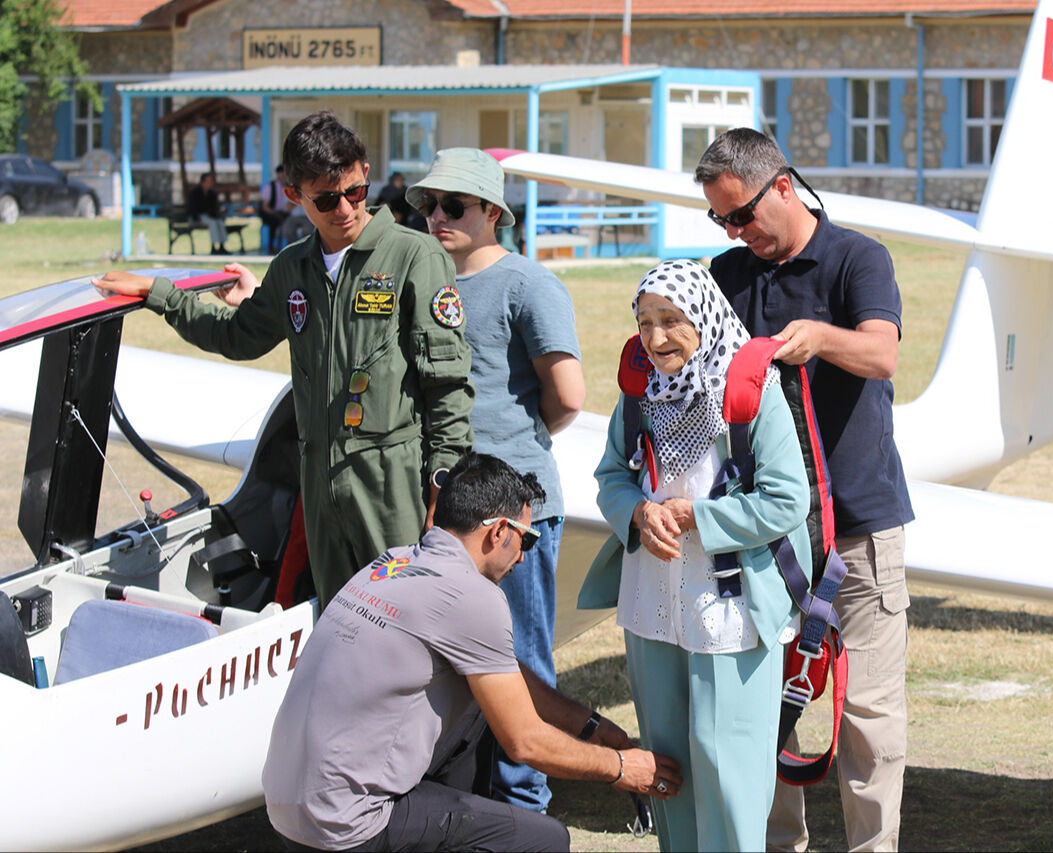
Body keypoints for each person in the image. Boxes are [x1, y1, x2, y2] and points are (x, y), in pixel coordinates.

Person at [92, 110, 474, 609]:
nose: (345, 209)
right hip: (320, 488)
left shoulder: (414, 257)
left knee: (407, 616)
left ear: (364, 173)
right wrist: (161, 295)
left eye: (355, 191)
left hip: (392, 485)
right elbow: (237, 336)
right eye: (326, 199)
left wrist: (445, 482)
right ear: (294, 195)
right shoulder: (293, 268)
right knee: (342, 620)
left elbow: (447, 386)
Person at [262, 453, 683, 853]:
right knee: (544, 841)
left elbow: (503, 673)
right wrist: (621, 768)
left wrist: (590, 726)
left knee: (482, 699)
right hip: (346, 828)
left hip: (287, 808)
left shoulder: (393, 562)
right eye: (527, 538)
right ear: (498, 532)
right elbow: (525, 743)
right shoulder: (472, 595)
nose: (523, 557)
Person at [695, 128, 914, 853]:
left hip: (857, 528)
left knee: (867, 716)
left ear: (783, 187)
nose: (735, 232)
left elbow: (881, 353)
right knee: (763, 706)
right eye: (721, 219)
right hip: (767, 533)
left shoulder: (858, 258)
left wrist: (820, 338)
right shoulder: (726, 274)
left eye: (742, 214)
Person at [585, 258, 807, 851]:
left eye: (671, 320)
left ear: (704, 318)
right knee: (668, 762)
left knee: (727, 763)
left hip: (730, 608)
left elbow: (787, 500)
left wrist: (698, 519)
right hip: (653, 603)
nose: (655, 337)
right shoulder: (639, 395)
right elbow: (611, 476)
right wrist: (638, 511)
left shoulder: (753, 393)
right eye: (644, 322)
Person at [406, 148, 585, 816]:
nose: (438, 216)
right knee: (450, 661)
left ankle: (523, 809)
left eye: (453, 205)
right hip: (445, 514)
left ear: (490, 212)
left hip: (513, 516)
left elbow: (567, 396)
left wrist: (509, 450)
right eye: (429, 204)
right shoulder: (425, 281)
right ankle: (470, 802)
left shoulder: (528, 284)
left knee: (520, 660)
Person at [188, 171, 231, 255]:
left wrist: (219, 213)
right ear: (203, 182)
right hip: (198, 217)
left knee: (219, 222)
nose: (211, 183)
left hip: (209, 217)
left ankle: (222, 245)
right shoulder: (195, 193)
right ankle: (213, 246)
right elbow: (192, 209)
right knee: (212, 223)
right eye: (209, 181)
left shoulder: (212, 194)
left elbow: (214, 209)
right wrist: (197, 220)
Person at [260, 164, 294, 253]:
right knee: (274, 222)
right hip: (270, 213)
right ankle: (271, 247)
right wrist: (275, 214)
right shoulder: (270, 187)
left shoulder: (288, 187)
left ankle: (289, 247)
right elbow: (265, 206)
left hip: (283, 213)